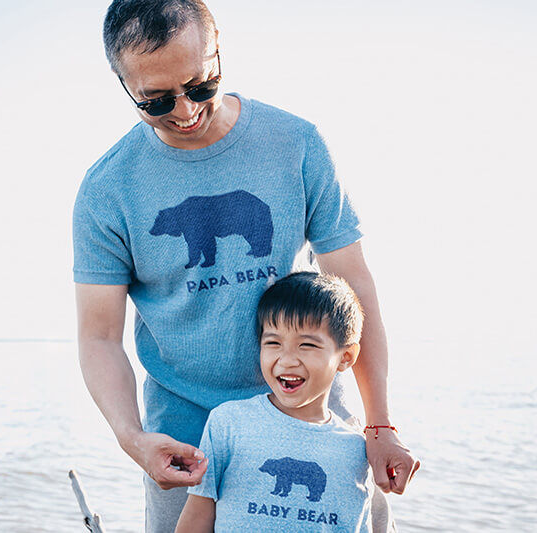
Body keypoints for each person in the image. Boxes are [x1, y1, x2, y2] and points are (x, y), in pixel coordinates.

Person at [73, 1, 419, 531]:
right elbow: (99, 337)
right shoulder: (107, 191)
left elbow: (353, 286)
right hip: (187, 434)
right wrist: (133, 438)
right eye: (157, 99)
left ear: (219, 51)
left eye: (200, 84)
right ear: (123, 84)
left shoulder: (296, 143)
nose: (185, 110)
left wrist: (380, 424)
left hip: (314, 416)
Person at [175, 271, 373, 532]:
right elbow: (197, 517)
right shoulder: (228, 424)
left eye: (307, 345)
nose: (287, 359)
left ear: (346, 356)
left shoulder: (357, 448)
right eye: (273, 343)